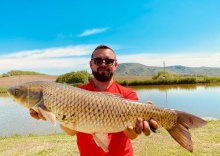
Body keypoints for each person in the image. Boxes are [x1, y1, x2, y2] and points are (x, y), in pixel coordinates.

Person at [30, 44, 158, 156]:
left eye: (108, 61)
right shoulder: (76, 93)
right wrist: (51, 114)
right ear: (91, 64)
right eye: (98, 61)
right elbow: (71, 131)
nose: (103, 64)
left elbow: (132, 136)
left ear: (115, 65)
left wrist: (139, 124)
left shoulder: (127, 94)